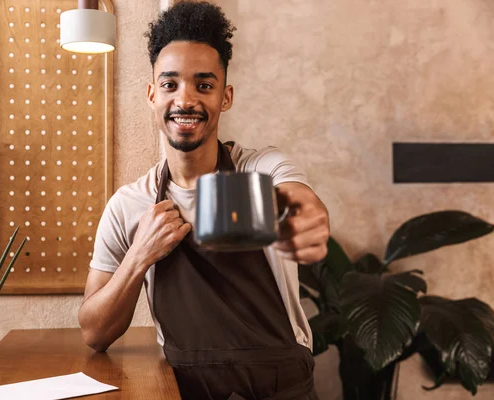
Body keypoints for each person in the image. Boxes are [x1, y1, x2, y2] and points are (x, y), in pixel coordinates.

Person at [79, 2, 330, 399]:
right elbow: (94, 332)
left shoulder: (260, 170)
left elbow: (295, 196)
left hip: (282, 388)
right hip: (186, 391)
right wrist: (139, 255)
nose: (186, 100)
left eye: (204, 85)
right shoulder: (129, 205)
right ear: (151, 94)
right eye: (170, 84)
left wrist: (305, 215)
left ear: (225, 97)